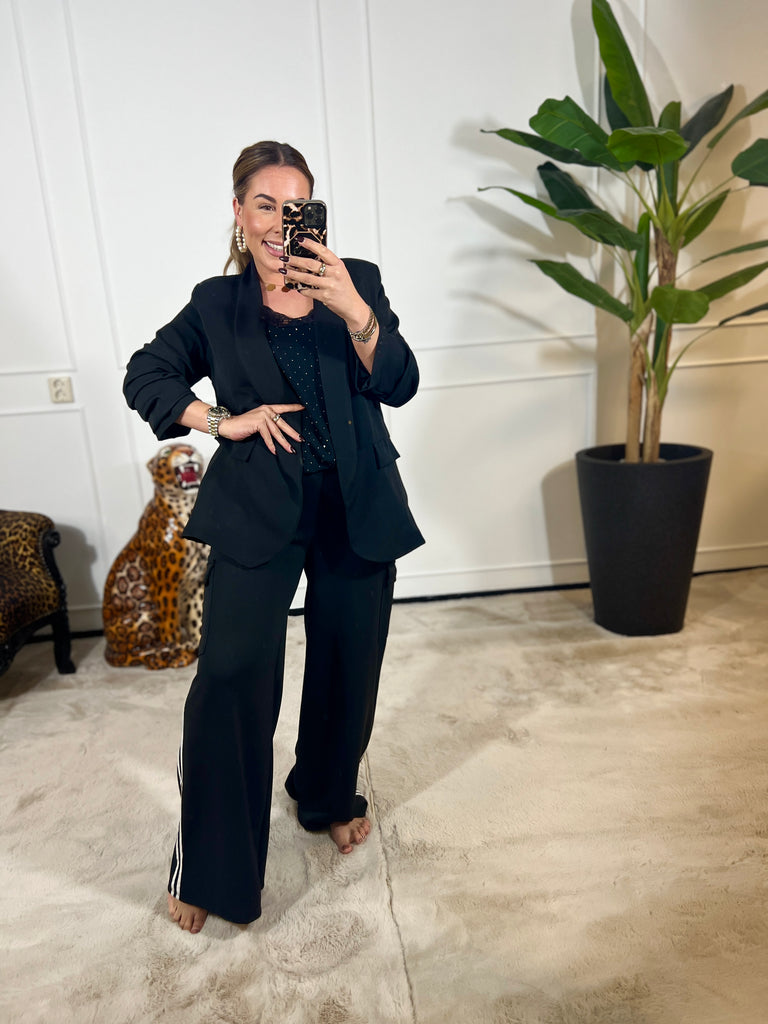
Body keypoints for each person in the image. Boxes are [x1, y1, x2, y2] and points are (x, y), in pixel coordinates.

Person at [123, 141, 424, 934]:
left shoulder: (355, 281)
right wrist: (221, 419)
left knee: (348, 663)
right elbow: (146, 374)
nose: (278, 223)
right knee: (229, 676)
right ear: (238, 211)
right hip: (258, 504)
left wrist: (355, 311)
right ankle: (210, 866)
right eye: (264, 204)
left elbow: (400, 382)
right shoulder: (216, 303)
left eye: (295, 208)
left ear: (313, 216)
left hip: (356, 501)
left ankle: (325, 795)